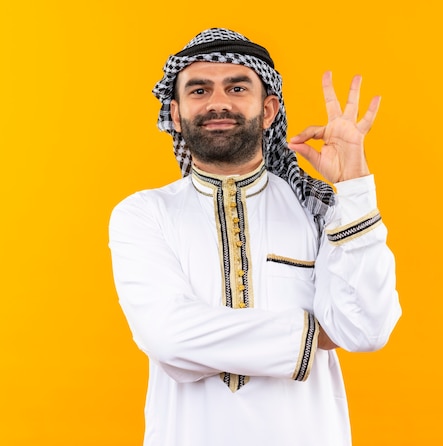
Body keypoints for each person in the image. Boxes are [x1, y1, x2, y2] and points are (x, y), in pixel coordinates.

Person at [108, 27, 401, 446]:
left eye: (237, 87)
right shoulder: (144, 214)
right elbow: (167, 336)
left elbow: (366, 330)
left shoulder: (318, 207)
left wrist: (355, 185)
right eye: (199, 90)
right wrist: (315, 335)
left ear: (268, 110)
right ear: (175, 113)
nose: (218, 103)